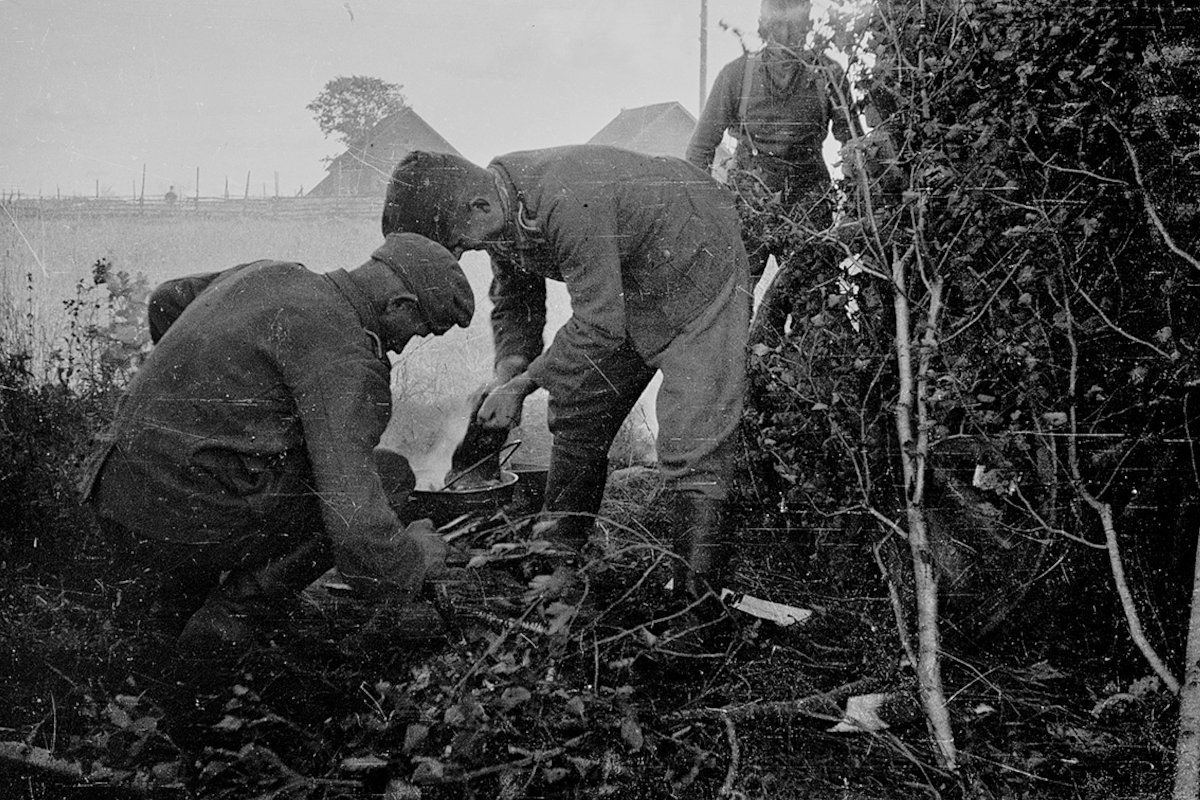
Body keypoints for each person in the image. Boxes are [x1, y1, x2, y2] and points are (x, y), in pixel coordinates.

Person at [380, 145, 751, 599]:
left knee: (694, 439)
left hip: (699, 265)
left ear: (479, 206)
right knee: (580, 406)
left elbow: (599, 323)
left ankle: (695, 614)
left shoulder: (567, 198)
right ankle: (555, 564)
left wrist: (525, 385)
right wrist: (506, 373)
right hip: (627, 288)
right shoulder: (498, 204)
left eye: (460, 244)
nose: (468, 251)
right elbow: (517, 302)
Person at [78, 232, 475, 653]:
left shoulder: (271, 273)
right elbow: (354, 523)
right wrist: (410, 563)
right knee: (390, 475)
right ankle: (231, 621)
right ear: (399, 304)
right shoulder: (350, 356)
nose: (405, 344)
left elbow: (167, 298)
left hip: (114, 489)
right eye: (419, 330)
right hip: (186, 519)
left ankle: (176, 600)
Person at [686, 0, 855, 287]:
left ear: (808, 27)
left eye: (796, 27)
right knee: (733, 301)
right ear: (764, 28)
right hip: (748, 205)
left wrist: (854, 207)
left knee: (815, 302)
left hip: (809, 204)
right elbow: (700, 149)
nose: (787, 37)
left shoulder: (829, 74)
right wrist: (705, 214)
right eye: (779, 26)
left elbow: (854, 145)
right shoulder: (737, 75)